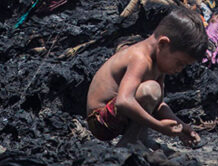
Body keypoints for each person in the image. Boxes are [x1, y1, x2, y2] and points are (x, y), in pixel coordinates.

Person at [86, 8, 207, 147]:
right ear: (163, 44)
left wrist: (182, 127)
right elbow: (123, 101)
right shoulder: (140, 58)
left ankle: (139, 140)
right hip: (100, 121)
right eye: (179, 63)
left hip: (117, 116)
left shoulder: (159, 63)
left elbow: (157, 106)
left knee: (152, 91)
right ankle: (131, 142)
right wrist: (159, 126)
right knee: (151, 89)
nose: (179, 69)